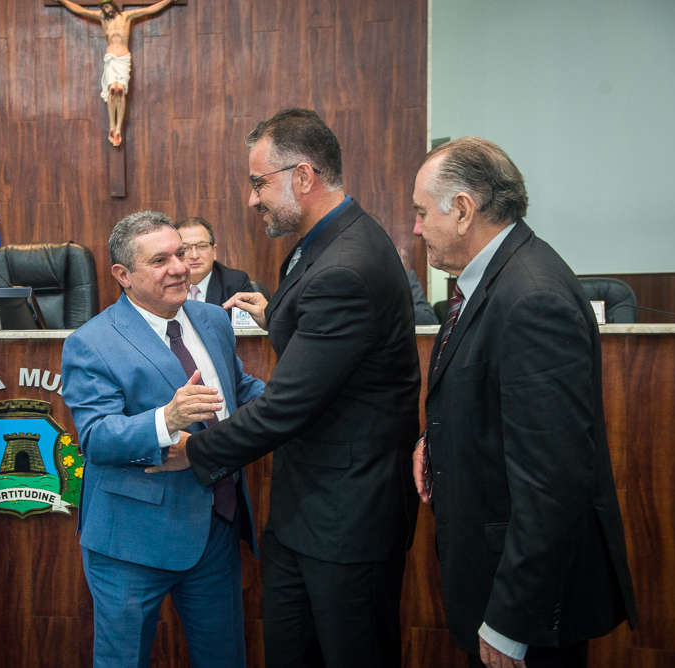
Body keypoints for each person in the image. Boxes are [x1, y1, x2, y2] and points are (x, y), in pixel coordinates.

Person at [159, 108, 422, 667]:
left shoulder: (345, 265)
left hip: (349, 520)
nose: (252, 199)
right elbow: (324, 344)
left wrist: (193, 452)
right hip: (312, 510)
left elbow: (287, 406)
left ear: (302, 177)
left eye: (259, 183)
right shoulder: (322, 243)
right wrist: (277, 312)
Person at [410, 137, 637, 668]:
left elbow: (553, 481)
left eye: (422, 212)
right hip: (494, 580)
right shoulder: (489, 280)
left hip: (523, 604)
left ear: (463, 210)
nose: (416, 228)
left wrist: (512, 621)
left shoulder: (531, 296)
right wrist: (433, 441)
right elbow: (489, 402)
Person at [61, 211, 265, 668]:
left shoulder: (212, 319)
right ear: (123, 275)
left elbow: (241, 387)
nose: (180, 267)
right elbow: (95, 436)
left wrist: (306, 396)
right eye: (160, 260)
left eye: (182, 254)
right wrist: (165, 418)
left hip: (215, 528)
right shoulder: (90, 342)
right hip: (130, 544)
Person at [55, 0, 175, 146]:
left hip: (123, 59)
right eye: (103, 8)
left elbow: (150, 9)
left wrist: (169, 1)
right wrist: (62, 1)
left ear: (113, 6)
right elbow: (80, 10)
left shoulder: (126, 17)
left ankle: (118, 129)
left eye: (107, 6)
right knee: (113, 90)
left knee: (120, 90)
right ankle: (112, 126)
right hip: (111, 59)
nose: (105, 10)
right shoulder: (102, 18)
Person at [174, 216, 255, 306]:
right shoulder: (164, 285)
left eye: (202, 246)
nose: (194, 256)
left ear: (214, 251)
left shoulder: (236, 284)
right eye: (185, 248)